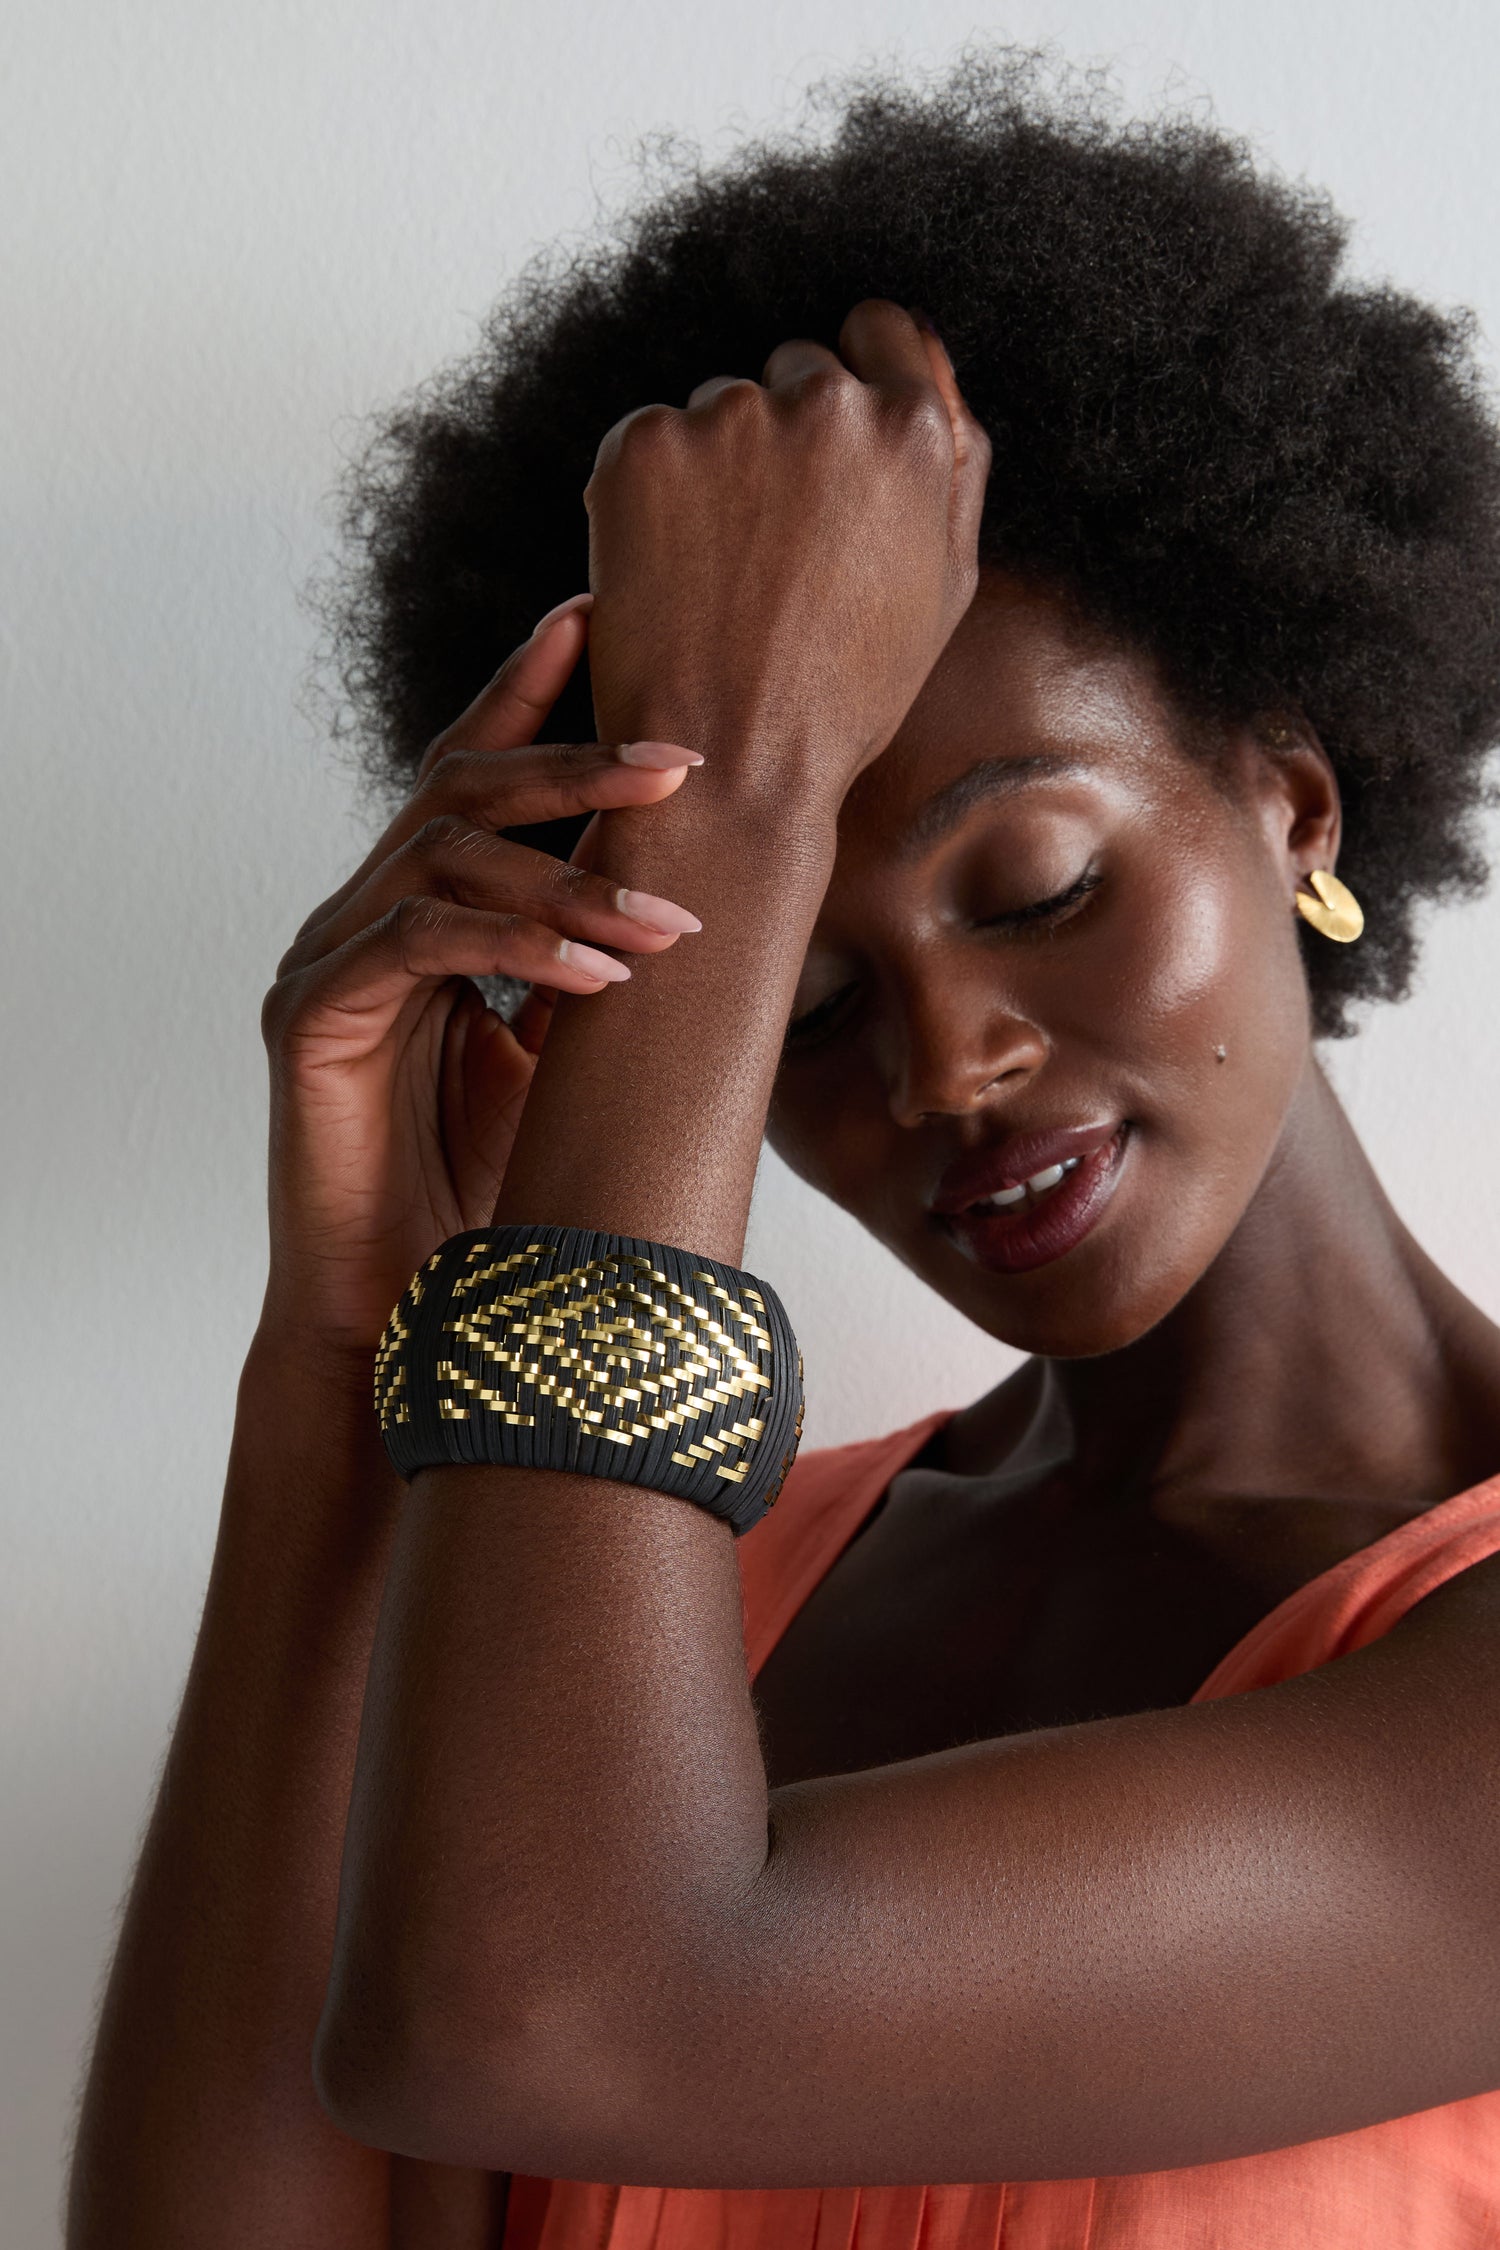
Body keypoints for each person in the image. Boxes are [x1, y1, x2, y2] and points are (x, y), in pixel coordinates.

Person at [68, 53, 1500, 2250]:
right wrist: (350, 1368)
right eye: (796, 1000)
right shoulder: (646, 1591)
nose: (943, 1064)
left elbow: (565, 2013)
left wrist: (728, 809)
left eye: (1030, 881)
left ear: (1293, 800)